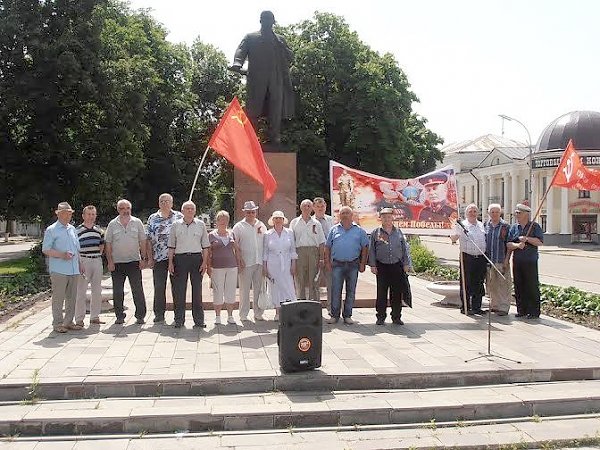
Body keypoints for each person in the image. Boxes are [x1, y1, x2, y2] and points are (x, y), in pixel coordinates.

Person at [230, 10, 294, 145]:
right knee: (253, 108)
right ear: (260, 21)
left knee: (275, 110)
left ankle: (275, 136)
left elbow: (291, 57)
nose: (268, 23)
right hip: (256, 79)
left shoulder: (279, 40)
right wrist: (237, 63)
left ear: (273, 22)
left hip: (276, 80)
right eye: (265, 20)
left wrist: (283, 46)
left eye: (270, 20)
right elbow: (241, 50)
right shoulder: (251, 37)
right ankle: (250, 138)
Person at [104, 199, 148, 325]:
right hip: (117, 263)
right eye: (122, 208)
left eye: (127, 208)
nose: (125, 211)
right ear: (118, 210)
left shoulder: (137, 222)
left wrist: (143, 258)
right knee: (118, 291)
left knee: (137, 290)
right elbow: (108, 244)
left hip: (134, 262)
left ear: (130, 209)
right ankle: (119, 316)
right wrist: (110, 261)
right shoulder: (112, 224)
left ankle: (140, 315)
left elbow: (143, 241)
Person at [167, 201, 210, 328]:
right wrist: (170, 263)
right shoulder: (175, 225)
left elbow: (206, 247)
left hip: (196, 259)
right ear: (182, 211)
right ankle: (179, 320)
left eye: (192, 208)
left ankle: (199, 320)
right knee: (179, 291)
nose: (190, 210)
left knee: (197, 290)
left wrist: (204, 262)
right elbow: (171, 246)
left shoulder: (201, 225)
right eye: (187, 208)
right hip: (180, 259)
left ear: (195, 211)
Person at [42, 202, 83, 333]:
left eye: (69, 213)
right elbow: (46, 249)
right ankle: (58, 323)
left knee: (72, 297)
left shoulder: (72, 229)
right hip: (59, 269)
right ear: (58, 214)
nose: (67, 216)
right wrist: (61, 255)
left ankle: (69, 322)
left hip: (73, 269)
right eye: (65, 213)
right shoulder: (51, 230)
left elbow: (77, 249)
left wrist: (80, 264)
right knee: (58, 298)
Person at [324, 206, 369, 325]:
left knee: (351, 291)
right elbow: (327, 247)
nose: (344, 215)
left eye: (347, 213)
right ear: (339, 215)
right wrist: (327, 262)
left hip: (353, 264)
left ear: (352, 215)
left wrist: (363, 263)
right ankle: (334, 316)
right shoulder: (333, 230)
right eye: (342, 213)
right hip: (337, 264)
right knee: (335, 291)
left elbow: (365, 248)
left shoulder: (359, 231)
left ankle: (348, 315)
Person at [368, 208, 412, 326]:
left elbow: (404, 249)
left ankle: (396, 317)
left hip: (396, 266)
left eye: (389, 216)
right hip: (382, 266)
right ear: (380, 218)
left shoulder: (398, 232)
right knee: (381, 293)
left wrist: (406, 263)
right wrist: (372, 265)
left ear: (392, 217)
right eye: (384, 217)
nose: (387, 219)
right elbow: (371, 249)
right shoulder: (376, 233)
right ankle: (380, 317)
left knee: (396, 293)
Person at [146, 193, 183, 323]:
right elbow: (149, 240)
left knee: (177, 287)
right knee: (159, 286)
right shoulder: (152, 218)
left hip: (177, 258)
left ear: (172, 203)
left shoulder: (179, 216)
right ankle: (159, 314)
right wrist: (150, 258)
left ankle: (178, 315)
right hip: (159, 258)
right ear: (158, 203)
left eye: (167, 201)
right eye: (162, 201)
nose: (164, 203)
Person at [232, 201, 268, 322]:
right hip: (245, 262)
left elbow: (266, 243)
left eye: (253, 212)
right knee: (244, 289)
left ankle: (258, 313)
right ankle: (243, 314)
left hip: (259, 262)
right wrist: (239, 259)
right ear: (244, 212)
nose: (251, 214)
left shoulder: (262, 225)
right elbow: (235, 244)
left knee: (259, 288)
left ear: (256, 212)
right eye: (248, 212)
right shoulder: (238, 226)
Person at [507, 203, 544, 319]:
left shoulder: (534, 226)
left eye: (519, 213)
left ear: (526, 214)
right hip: (517, 261)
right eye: (516, 213)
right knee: (519, 285)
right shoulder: (514, 227)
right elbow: (508, 244)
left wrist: (527, 239)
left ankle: (533, 311)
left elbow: (540, 242)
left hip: (530, 261)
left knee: (531, 286)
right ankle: (521, 309)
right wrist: (517, 245)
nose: (517, 215)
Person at [450, 203, 487, 316]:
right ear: (466, 213)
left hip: (480, 258)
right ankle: (465, 307)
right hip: (467, 257)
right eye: (470, 211)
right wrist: (457, 232)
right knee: (466, 283)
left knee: (479, 283)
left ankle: (477, 307)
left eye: (474, 211)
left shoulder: (481, 225)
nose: (472, 213)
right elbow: (453, 238)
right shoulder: (461, 225)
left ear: (478, 213)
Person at [207, 210, 241, 325]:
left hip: (232, 266)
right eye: (220, 219)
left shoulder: (231, 233)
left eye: (225, 219)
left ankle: (230, 315)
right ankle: (217, 316)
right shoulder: (211, 235)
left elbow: (237, 250)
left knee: (230, 290)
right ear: (216, 221)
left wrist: (239, 262)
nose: (223, 222)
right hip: (217, 267)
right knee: (218, 291)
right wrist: (207, 266)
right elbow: (207, 252)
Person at [74, 205, 105, 327]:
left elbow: (102, 246)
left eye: (93, 214)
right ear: (83, 215)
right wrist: (79, 262)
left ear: (95, 216)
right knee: (80, 291)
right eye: (88, 214)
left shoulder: (99, 231)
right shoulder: (77, 231)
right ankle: (79, 319)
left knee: (97, 291)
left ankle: (94, 317)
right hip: (83, 261)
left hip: (96, 260)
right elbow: (75, 249)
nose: (91, 216)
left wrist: (97, 257)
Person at [263, 211, 298, 321]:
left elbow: (293, 250)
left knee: (288, 286)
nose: (278, 220)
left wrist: (293, 264)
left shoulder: (289, 232)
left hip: (287, 263)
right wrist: (264, 267)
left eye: (280, 218)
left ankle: (291, 311)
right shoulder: (267, 234)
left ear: (283, 220)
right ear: (272, 220)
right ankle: (277, 312)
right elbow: (265, 252)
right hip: (273, 264)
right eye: (276, 218)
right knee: (275, 287)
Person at [289, 199, 325, 301]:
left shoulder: (316, 223)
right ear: (300, 208)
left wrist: (321, 258)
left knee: (313, 279)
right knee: (299, 279)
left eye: (309, 206)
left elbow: (321, 242)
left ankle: (313, 305)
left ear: (312, 208)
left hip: (313, 252)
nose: (306, 208)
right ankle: (300, 303)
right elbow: (291, 241)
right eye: (304, 206)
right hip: (299, 252)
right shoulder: (294, 222)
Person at [484, 203, 511, 316]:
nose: (494, 214)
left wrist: (506, 260)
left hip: (501, 260)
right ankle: (494, 306)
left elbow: (509, 245)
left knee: (503, 284)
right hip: (489, 261)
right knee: (491, 284)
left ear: (500, 213)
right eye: (492, 212)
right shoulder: (486, 225)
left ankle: (503, 307)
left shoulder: (505, 226)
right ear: (489, 213)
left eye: (497, 212)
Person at [312, 197, 334, 314]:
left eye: (322, 206)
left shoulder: (332, 220)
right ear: (313, 208)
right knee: (314, 283)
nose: (320, 209)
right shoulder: (310, 221)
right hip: (314, 255)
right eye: (318, 207)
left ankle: (331, 309)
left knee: (331, 283)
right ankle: (316, 309)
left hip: (329, 255)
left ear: (325, 206)